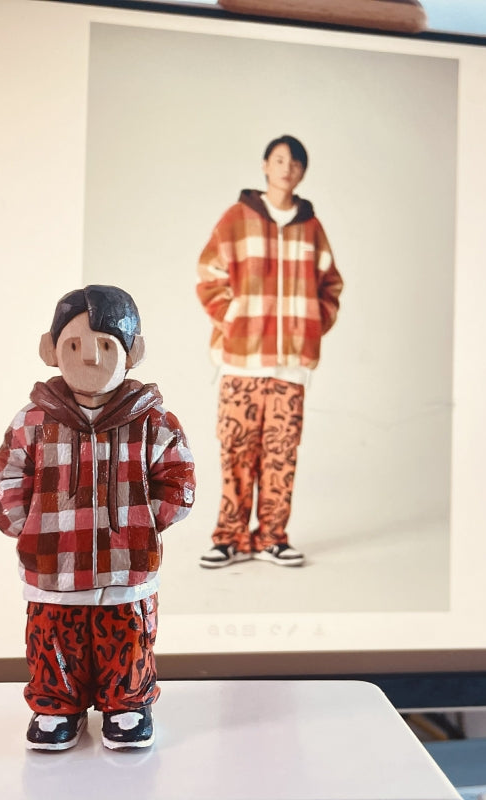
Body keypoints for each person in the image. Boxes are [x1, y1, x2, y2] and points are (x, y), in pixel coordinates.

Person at [0, 284, 195, 751]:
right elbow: (8, 479)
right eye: (75, 346)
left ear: (133, 352)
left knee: (128, 637)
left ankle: (127, 704)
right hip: (51, 568)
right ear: (51, 350)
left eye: (106, 346)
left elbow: (179, 478)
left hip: (128, 567)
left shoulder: (152, 421)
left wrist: (144, 520)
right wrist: (29, 526)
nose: (90, 358)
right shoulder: (32, 421)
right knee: (52, 638)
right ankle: (55, 706)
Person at [196, 134, 343, 569]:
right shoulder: (237, 219)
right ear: (265, 165)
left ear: (301, 172)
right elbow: (209, 275)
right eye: (279, 160)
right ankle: (229, 538)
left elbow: (330, 285)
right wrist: (235, 319)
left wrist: (310, 328)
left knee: (281, 453)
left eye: (295, 163)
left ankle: (273, 537)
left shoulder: (311, 228)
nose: (286, 168)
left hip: (290, 368)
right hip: (239, 362)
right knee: (237, 450)